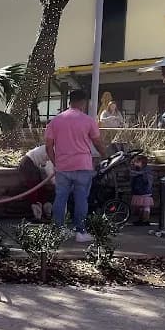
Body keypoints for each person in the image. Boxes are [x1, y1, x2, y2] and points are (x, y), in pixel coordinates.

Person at [45, 89, 107, 242]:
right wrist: (105, 154)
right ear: (83, 103)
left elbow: (48, 146)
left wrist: (55, 162)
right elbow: (97, 142)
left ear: (70, 101)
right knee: (81, 200)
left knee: (60, 199)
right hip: (83, 166)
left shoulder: (55, 121)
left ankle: (58, 230)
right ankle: (80, 232)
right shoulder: (88, 120)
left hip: (63, 166)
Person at [18, 145, 54, 220]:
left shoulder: (57, 149)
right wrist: (56, 184)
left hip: (33, 164)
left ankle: (45, 211)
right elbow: (50, 170)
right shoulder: (53, 150)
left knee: (40, 188)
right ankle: (37, 215)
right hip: (27, 163)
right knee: (34, 188)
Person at [130, 154, 153, 226]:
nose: (135, 163)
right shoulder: (136, 170)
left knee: (146, 206)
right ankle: (140, 219)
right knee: (140, 206)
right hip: (138, 192)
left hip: (145, 191)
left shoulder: (146, 171)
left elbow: (147, 180)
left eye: (137, 162)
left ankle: (145, 220)